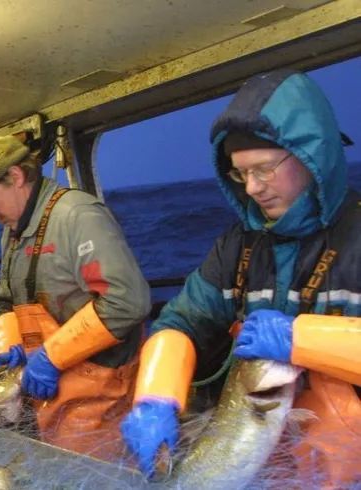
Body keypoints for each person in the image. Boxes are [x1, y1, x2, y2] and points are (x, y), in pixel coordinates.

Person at [120, 69, 361, 487]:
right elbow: (181, 320)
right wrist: (155, 396)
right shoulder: (237, 246)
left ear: (311, 156)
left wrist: (301, 340)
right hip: (258, 466)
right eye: (240, 173)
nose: (252, 187)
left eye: (265, 169)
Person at [0, 134, 150, 461]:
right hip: (49, 391)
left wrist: (50, 357)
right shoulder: (13, 232)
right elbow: (6, 301)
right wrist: (8, 347)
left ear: (16, 177)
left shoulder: (78, 215)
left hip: (101, 396)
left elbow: (127, 300)